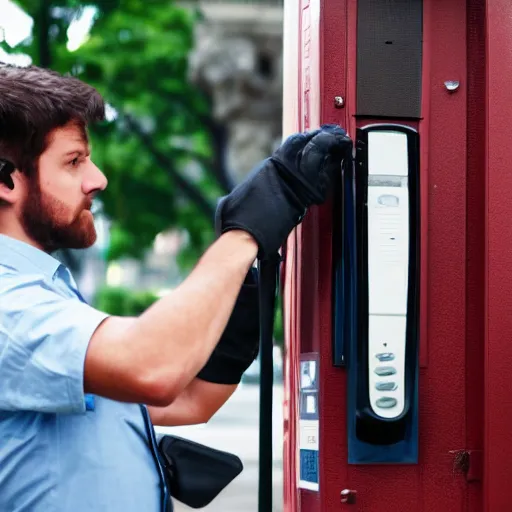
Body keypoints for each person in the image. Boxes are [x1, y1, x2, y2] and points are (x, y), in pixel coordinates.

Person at [0, 63, 352, 512]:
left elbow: (190, 399)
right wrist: (246, 231)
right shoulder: (8, 305)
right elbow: (152, 369)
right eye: (73, 161)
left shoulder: (45, 295)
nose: (97, 179)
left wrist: (237, 291)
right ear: (6, 179)